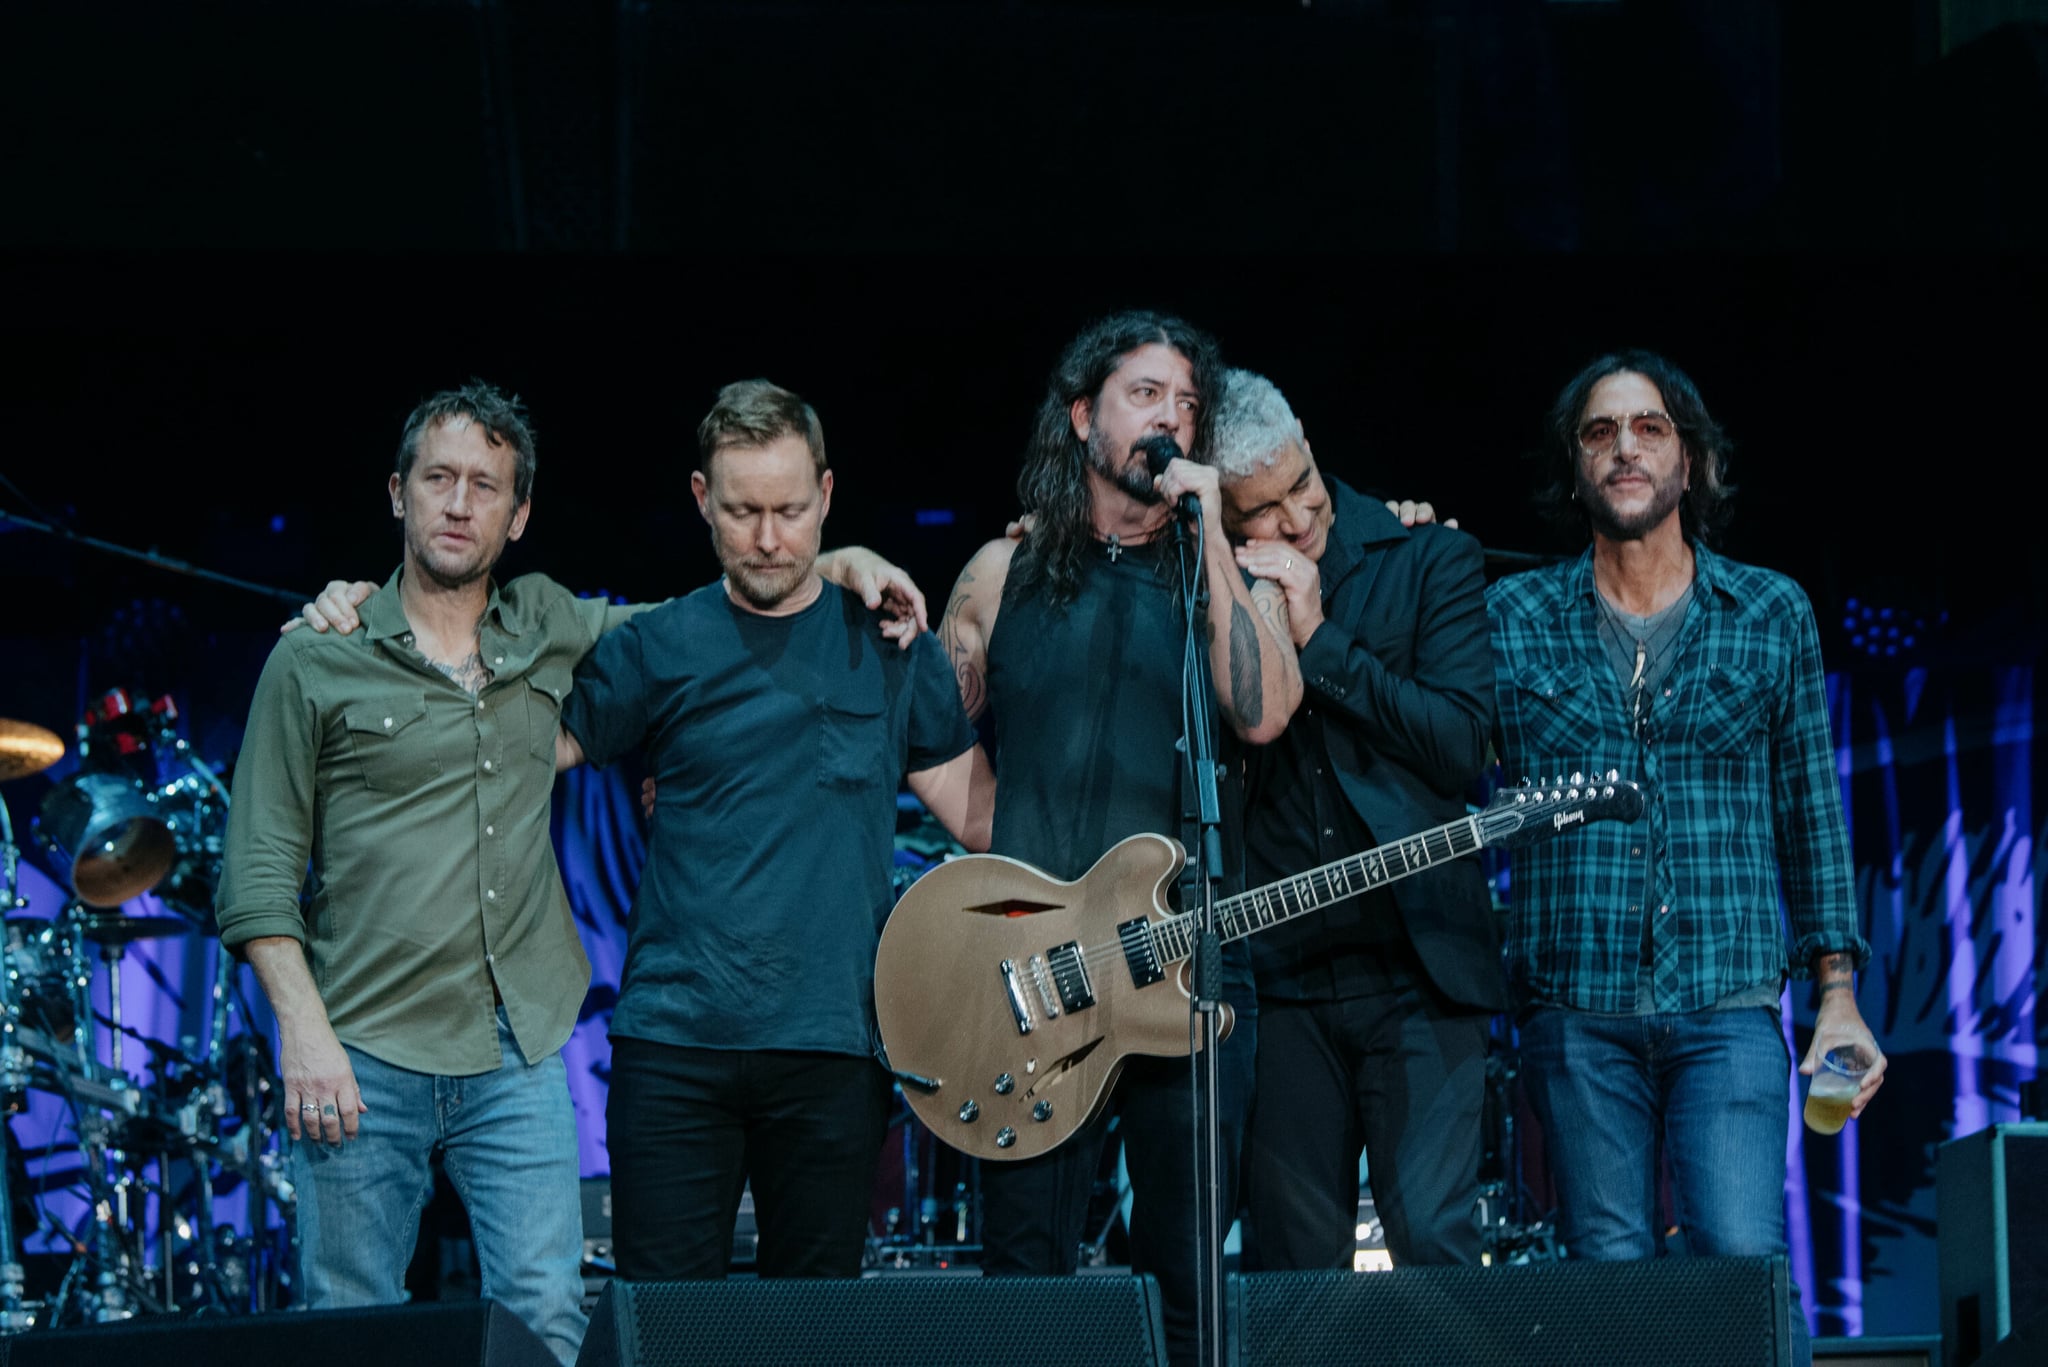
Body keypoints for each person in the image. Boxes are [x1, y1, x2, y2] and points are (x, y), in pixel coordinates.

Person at [1486, 351, 1885, 1346]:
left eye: (1647, 427)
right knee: (1605, 1284)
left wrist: (1834, 986)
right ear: (1573, 467)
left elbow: (1810, 810)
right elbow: (1439, 758)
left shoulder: (1768, 611)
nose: (1622, 446)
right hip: (1574, 1010)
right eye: (1596, 431)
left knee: (1739, 1263)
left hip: (1727, 1002)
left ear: (1690, 461)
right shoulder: (1509, 618)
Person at [553, 379, 992, 1283]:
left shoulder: (887, 641)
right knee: (666, 1333)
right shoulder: (657, 643)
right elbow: (519, 752)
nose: (767, 537)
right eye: (743, 509)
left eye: (790, 510)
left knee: (814, 1335)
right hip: (674, 1048)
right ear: (701, 499)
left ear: (827, 496)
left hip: (831, 1049)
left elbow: (985, 820)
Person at [217, 382, 611, 1364]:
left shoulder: (546, 627)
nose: (458, 501)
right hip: (362, 1052)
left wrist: (834, 565)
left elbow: (697, 624)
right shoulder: (316, 655)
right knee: (352, 1322)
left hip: (515, 1048)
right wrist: (303, 1033)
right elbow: (256, 867)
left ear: (517, 516)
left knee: (547, 1313)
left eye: (485, 484)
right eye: (438, 477)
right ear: (399, 493)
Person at [936, 312, 1299, 1367]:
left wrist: (1216, 535)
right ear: (1081, 413)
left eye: (1188, 402)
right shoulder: (1002, 574)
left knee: (1187, 1275)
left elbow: (1263, 710)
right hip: (1034, 973)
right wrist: (983, 826)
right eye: (1146, 394)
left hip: (1188, 963)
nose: (1171, 417)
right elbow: (917, 730)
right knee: (1028, 1275)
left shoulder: (1210, 575)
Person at [1208, 368, 1505, 1271]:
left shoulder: (1426, 558)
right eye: (1262, 510)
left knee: (1437, 1255)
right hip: (1281, 985)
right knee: (1293, 1273)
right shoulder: (1207, 601)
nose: (1298, 518)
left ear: (1305, 432)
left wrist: (1321, 643)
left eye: (1302, 481)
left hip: (1420, 973)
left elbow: (1463, 746)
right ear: (1219, 521)